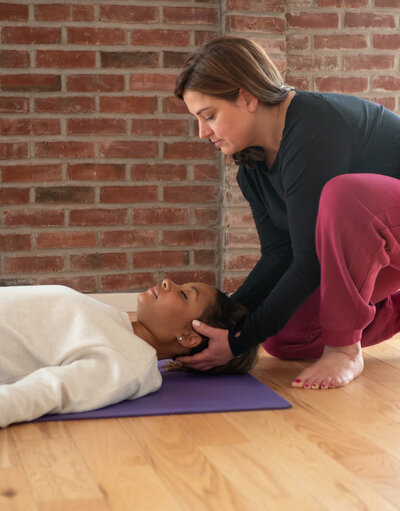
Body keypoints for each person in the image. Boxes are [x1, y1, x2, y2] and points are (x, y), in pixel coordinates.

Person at [174, 35, 400, 390]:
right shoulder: (252, 167)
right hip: (384, 254)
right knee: (286, 338)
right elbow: (280, 254)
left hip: (387, 234)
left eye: (209, 116)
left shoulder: (315, 124)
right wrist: (232, 324)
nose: (203, 132)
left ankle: (344, 349)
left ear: (247, 97)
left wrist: (238, 341)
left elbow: (309, 260)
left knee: (343, 195)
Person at [0, 280, 258, 428]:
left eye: (182, 294)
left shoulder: (130, 362)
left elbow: (46, 391)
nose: (167, 282)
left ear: (189, 337)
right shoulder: (116, 323)